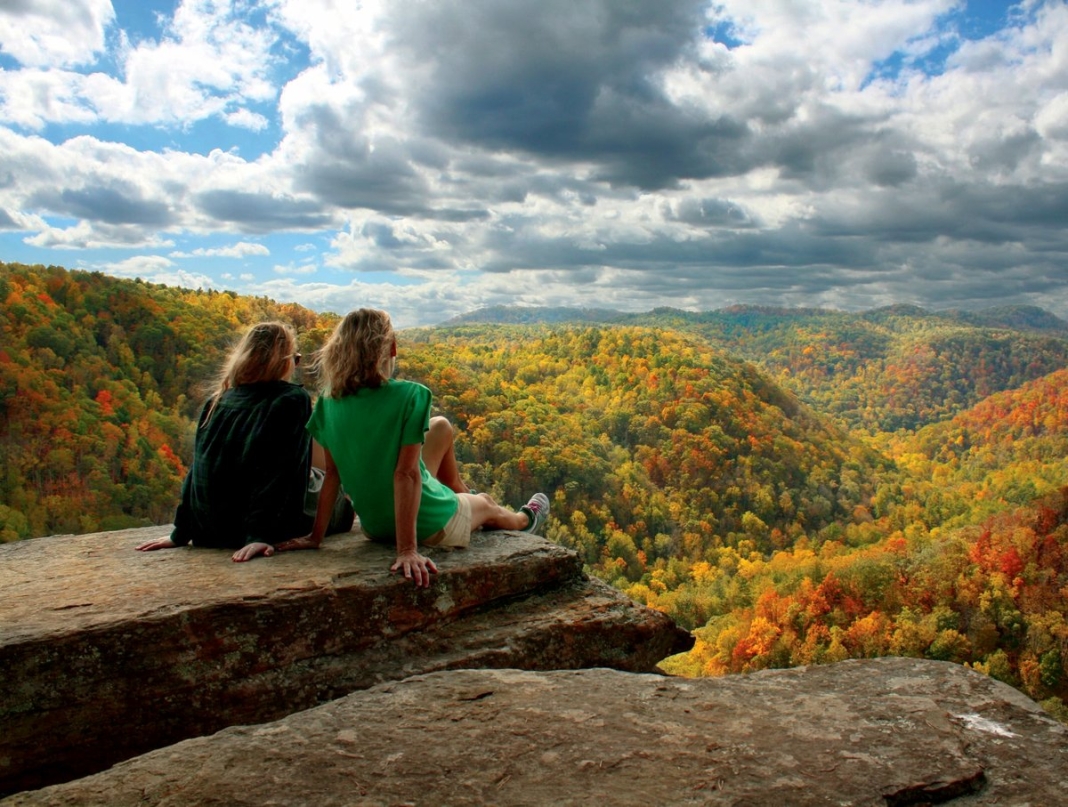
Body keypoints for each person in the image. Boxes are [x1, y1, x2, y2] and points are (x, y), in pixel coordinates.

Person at [277, 308, 548, 587]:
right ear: (391, 348)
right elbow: (405, 474)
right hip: (431, 524)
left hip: (375, 527)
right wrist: (407, 550)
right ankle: (525, 520)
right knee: (487, 503)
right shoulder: (411, 395)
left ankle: (461, 499)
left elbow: (333, 475)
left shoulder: (327, 402)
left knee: (441, 442)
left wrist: (315, 537)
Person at [136, 321, 353, 562]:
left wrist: (181, 532)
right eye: (296, 358)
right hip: (256, 527)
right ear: (282, 361)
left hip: (209, 529)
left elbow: (198, 471)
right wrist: (260, 535)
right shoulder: (291, 399)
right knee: (336, 490)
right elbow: (280, 473)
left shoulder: (217, 400)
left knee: (316, 468)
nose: (296, 364)